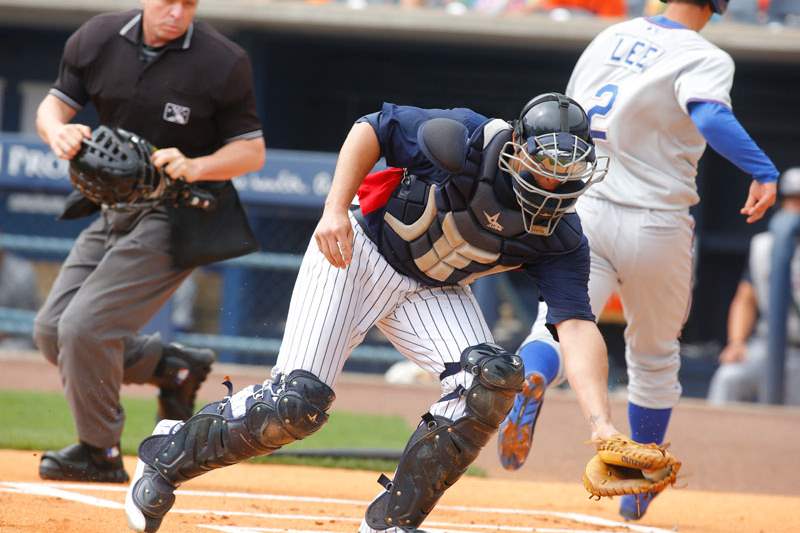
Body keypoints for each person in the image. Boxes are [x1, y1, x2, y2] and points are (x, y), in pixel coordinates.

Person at [124, 93, 624, 533]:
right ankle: (167, 457)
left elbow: (576, 327)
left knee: (491, 381)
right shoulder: (467, 141)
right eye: (547, 163)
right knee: (295, 406)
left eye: (569, 168)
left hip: (436, 290)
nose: (555, 180)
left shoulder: (563, 237)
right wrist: (334, 210)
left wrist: (601, 424)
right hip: (360, 253)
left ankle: (391, 522)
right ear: (517, 151)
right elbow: (372, 127)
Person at [497, 0, 779, 521]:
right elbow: (711, 116)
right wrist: (762, 170)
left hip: (589, 207)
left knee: (560, 324)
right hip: (658, 221)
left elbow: (569, 118)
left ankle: (532, 378)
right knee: (653, 354)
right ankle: (635, 482)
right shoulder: (704, 54)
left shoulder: (609, 37)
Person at [32, 0, 266, 484]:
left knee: (85, 328)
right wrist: (58, 131)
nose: (177, 12)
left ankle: (98, 454)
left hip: (179, 213)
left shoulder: (222, 60)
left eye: (189, 3)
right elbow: (55, 104)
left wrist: (197, 166)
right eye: (168, 1)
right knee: (53, 332)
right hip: (112, 207)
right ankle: (172, 367)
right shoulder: (97, 38)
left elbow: (252, 151)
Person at [708, 168, 800, 406]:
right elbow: (746, 298)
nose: (796, 208)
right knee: (728, 379)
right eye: (792, 200)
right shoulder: (764, 246)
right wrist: (737, 342)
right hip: (768, 344)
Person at [0, 231, 39, 350]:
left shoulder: (22, 274)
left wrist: (4, 332)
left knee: (11, 348)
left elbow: (23, 323)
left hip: (17, 337)